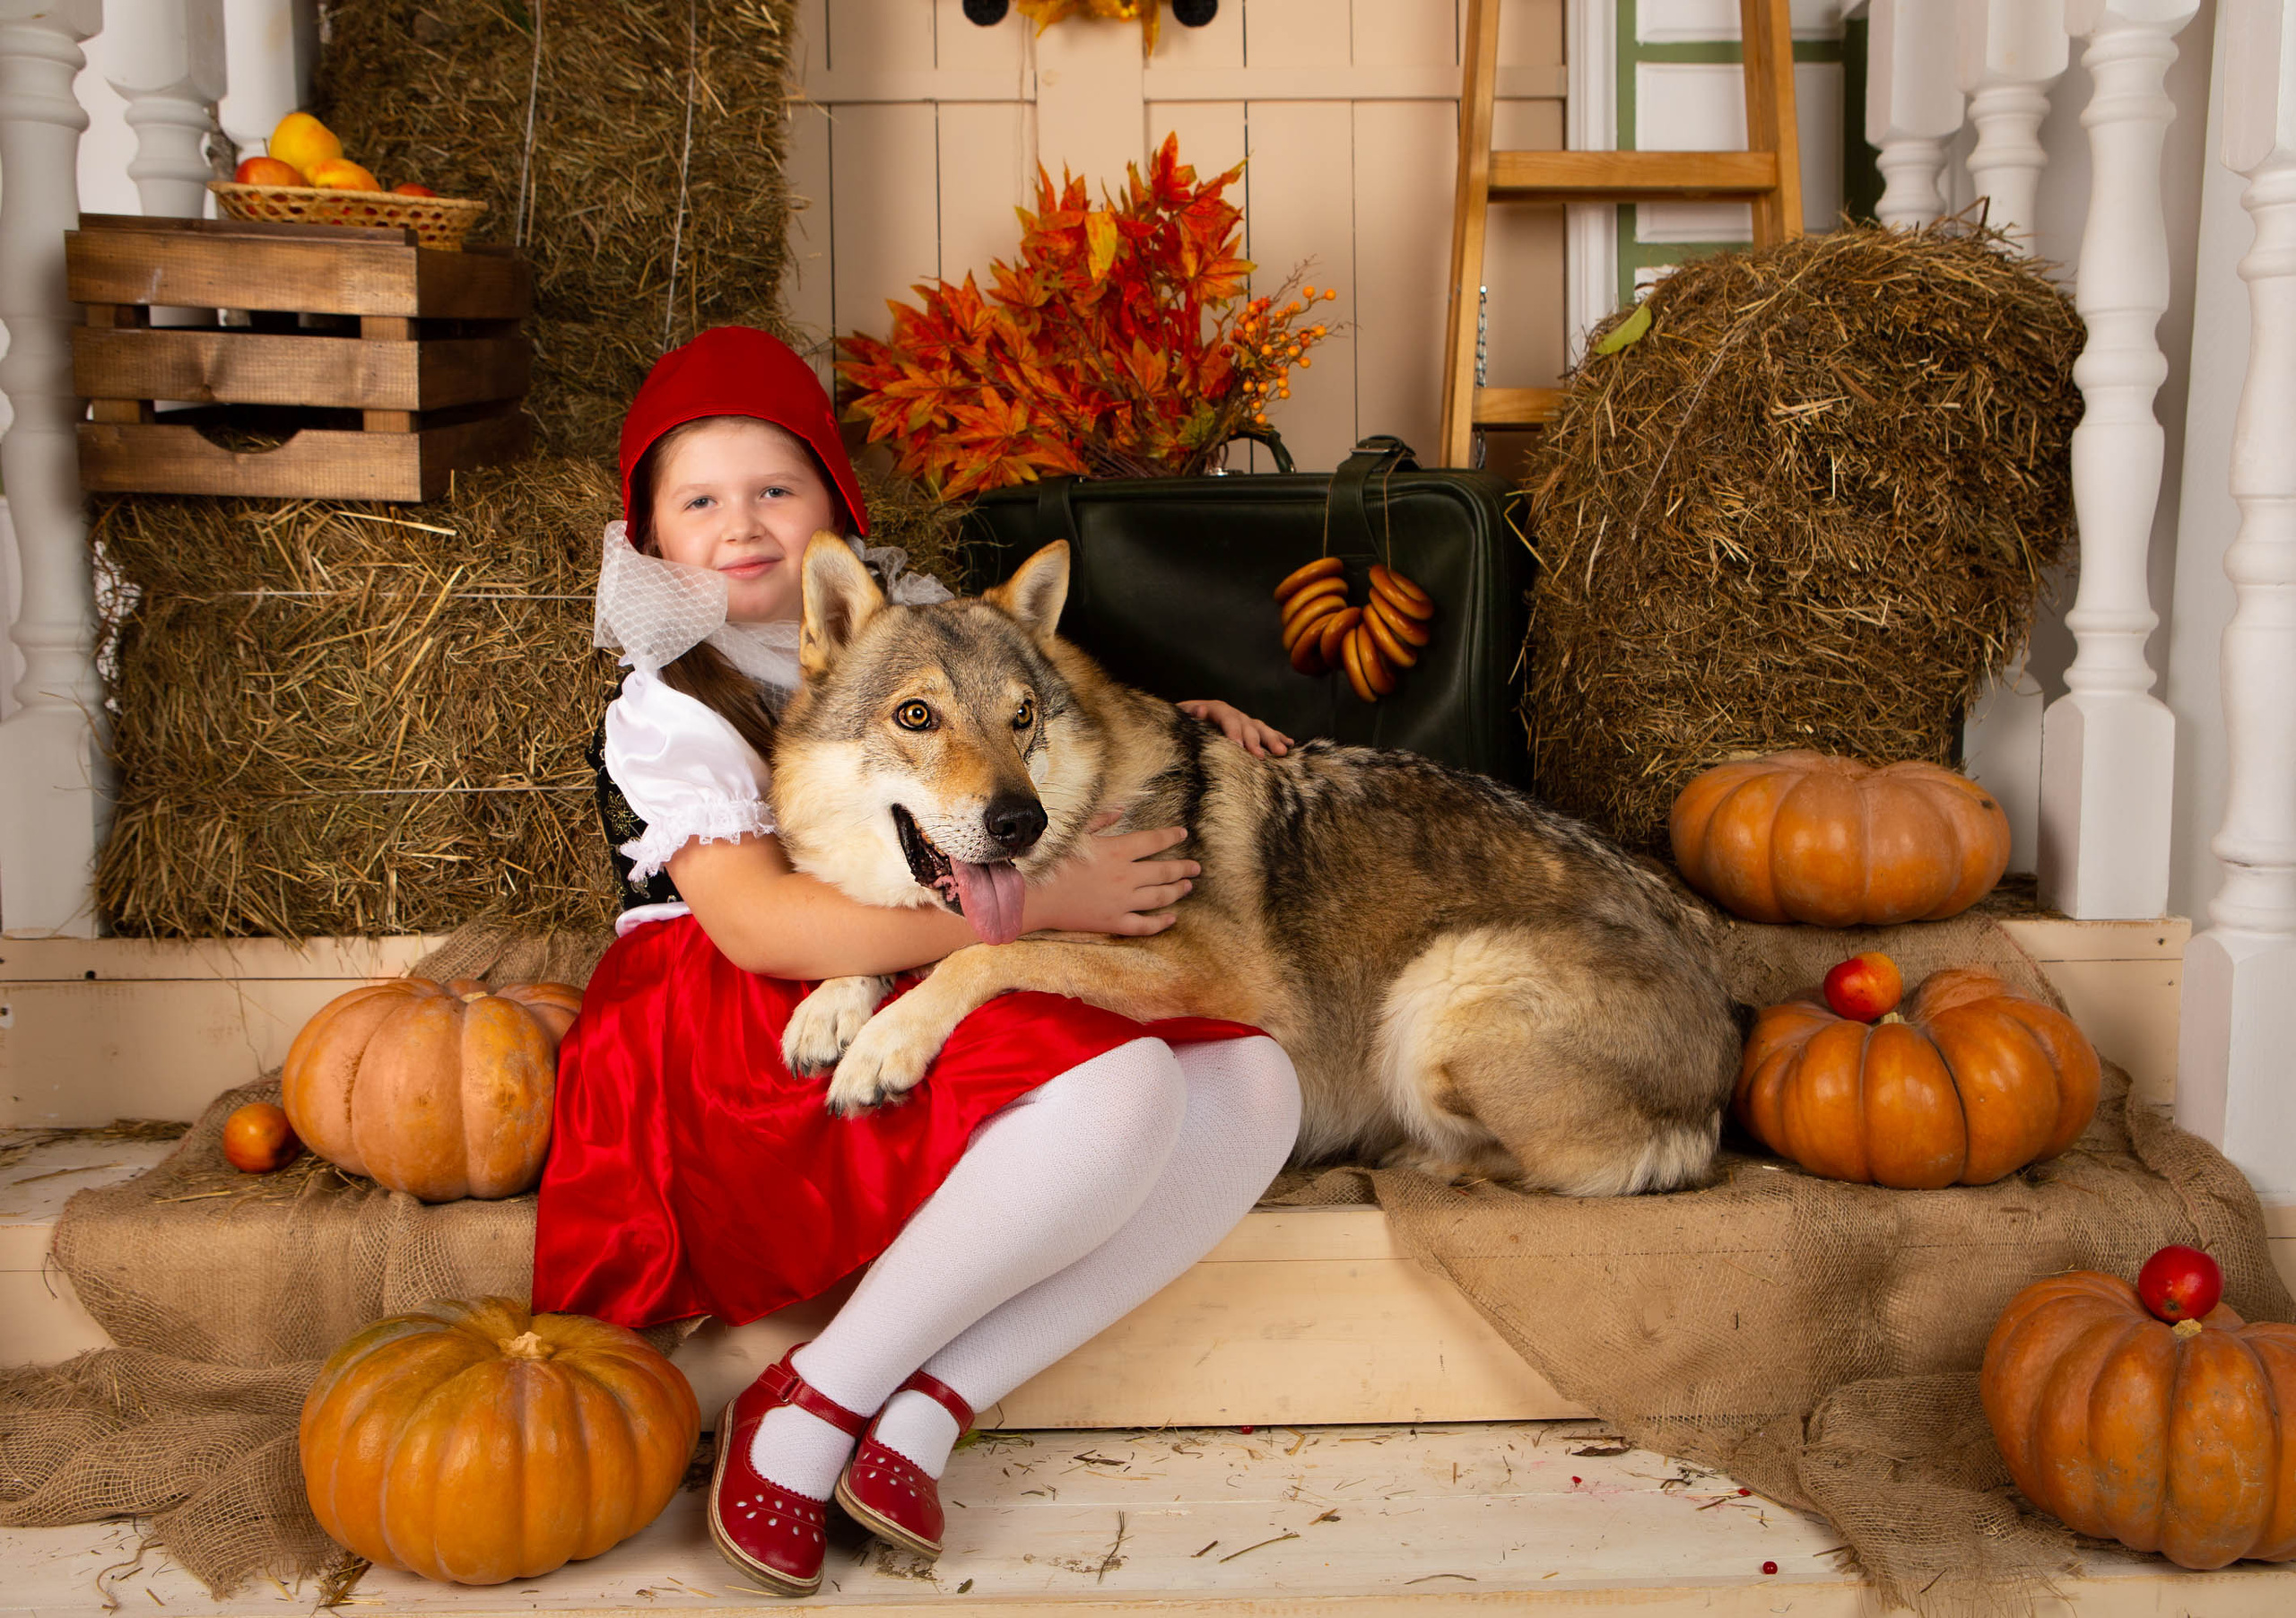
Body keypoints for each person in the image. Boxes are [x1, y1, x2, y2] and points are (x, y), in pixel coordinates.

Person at [534, 326, 1302, 1596]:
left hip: (926, 942)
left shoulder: (912, 628)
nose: (744, 526)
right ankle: (809, 1401)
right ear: (650, 537)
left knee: (1256, 1086)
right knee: (1126, 1089)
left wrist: (1186, 722)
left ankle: (932, 1405)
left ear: (834, 507)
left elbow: (1038, 714)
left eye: (776, 490)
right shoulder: (673, 703)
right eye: (701, 501)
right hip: (750, 1000)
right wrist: (1055, 906)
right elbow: (762, 929)